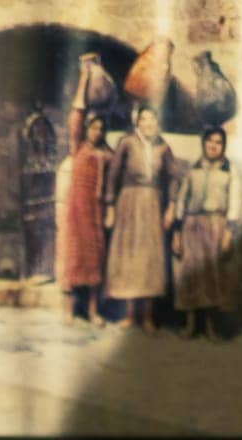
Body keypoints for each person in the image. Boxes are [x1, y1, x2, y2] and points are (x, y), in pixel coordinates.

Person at [103, 104, 176, 333]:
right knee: (129, 256)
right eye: (144, 119)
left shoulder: (163, 147)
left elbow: (173, 178)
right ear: (137, 122)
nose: (148, 124)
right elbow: (113, 175)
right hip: (128, 204)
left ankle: (147, 316)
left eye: (152, 120)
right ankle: (129, 314)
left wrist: (171, 207)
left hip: (152, 204)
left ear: (157, 122)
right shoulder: (126, 143)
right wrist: (110, 206)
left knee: (149, 258)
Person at [171, 126, 242, 340]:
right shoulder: (192, 169)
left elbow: (235, 203)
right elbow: (181, 201)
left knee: (212, 275)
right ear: (204, 143)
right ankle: (190, 324)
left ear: (223, 146)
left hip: (216, 225)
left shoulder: (229, 171)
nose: (213, 146)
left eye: (218, 143)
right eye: (210, 142)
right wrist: (177, 233)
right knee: (191, 273)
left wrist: (229, 233)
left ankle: (211, 326)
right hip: (192, 225)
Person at [61, 64, 112, 325]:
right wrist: (83, 77)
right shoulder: (78, 147)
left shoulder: (108, 154)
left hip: (97, 210)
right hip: (76, 208)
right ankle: (70, 311)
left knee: (95, 258)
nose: (97, 132)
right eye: (93, 128)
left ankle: (93, 310)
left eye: (101, 129)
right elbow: (76, 114)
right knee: (74, 256)